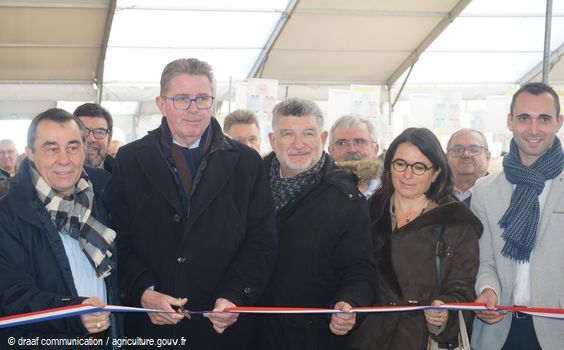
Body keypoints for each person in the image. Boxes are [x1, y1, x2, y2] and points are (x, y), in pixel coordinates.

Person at [110, 58, 277, 349]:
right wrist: (143, 291)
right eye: (182, 99)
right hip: (153, 326)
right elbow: (118, 238)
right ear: (162, 104)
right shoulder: (131, 160)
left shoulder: (246, 162)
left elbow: (261, 240)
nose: (193, 109)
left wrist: (235, 295)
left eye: (202, 99)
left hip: (223, 326)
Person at [256, 97, 375, 349]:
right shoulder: (250, 185)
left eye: (308, 134)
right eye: (287, 134)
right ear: (272, 140)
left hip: (313, 335)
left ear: (322, 139)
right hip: (250, 328)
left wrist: (350, 302)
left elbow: (360, 267)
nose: (299, 144)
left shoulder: (346, 197)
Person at [351, 127, 483, 350]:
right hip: (369, 338)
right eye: (400, 164)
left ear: (436, 173)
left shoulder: (456, 222)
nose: (407, 174)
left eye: (419, 167)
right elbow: (353, 271)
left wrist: (444, 312)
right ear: (389, 166)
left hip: (423, 339)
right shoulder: (369, 211)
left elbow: (462, 289)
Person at [0, 108, 122, 346]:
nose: (64, 159)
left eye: (73, 147)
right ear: (31, 154)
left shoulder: (100, 197)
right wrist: (73, 313)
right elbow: (10, 296)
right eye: (52, 149)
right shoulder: (8, 214)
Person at [471, 82, 564, 350]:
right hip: (498, 330)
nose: (533, 129)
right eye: (524, 118)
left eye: (543, 119)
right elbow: (485, 260)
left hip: (556, 332)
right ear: (510, 122)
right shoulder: (484, 190)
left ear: (558, 122)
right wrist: (488, 292)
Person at [328, 114, 380, 198]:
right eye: (342, 143)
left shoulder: (391, 193)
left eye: (359, 142)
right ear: (331, 151)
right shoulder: (318, 195)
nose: (351, 150)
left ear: (375, 150)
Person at [446, 128, 490, 205]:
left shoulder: (502, 191)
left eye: (474, 150)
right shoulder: (433, 194)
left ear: (487, 157)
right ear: (446, 158)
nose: (466, 154)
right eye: (458, 150)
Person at [73, 103, 115, 173]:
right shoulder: (53, 178)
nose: (90, 139)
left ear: (109, 140)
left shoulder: (124, 176)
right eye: (84, 131)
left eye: (99, 132)